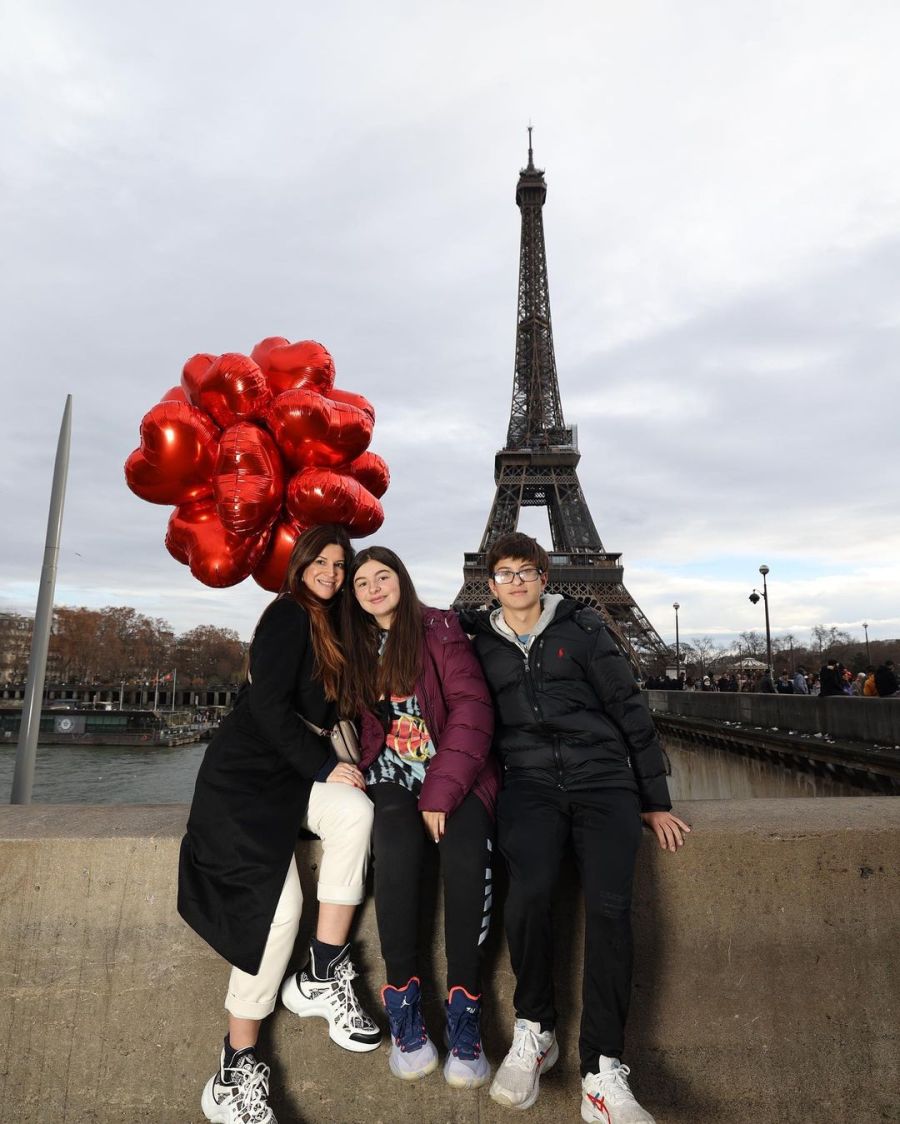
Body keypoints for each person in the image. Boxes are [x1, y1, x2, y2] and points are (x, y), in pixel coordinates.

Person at [460, 533, 690, 1124]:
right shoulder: (476, 639)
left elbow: (629, 708)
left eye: (526, 571)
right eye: (504, 573)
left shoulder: (584, 628)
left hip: (602, 781)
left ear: (544, 577)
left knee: (612, 909)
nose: (516, 581)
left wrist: (654, 799)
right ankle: (534, 1028)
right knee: (528, 893)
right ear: (491, 584)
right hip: (530, 786)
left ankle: (602, 1070)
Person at [178, 525, 380, 1124]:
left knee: (357, 814)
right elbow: (266, 705)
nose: (331, 572)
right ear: (300, 566)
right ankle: (235, 1066)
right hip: (244, 781)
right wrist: (326, 764)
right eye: (320, 561)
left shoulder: (335, 630)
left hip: (291, 781)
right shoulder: (289, 615)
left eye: (341, 566)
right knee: (277, 908)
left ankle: (322, 969)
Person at [342, 545, 499, 1089]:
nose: (373, 588)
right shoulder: (358, 645)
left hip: (456, 779)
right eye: (362, 583)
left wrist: (440, 794)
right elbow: (369, 723)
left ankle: (465, 1022)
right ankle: (405, 1012)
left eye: (382, 576)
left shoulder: (441, 628)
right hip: (392, 780)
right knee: (396, 861)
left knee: (464, 864)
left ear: (401, 580)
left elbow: (472, 710)